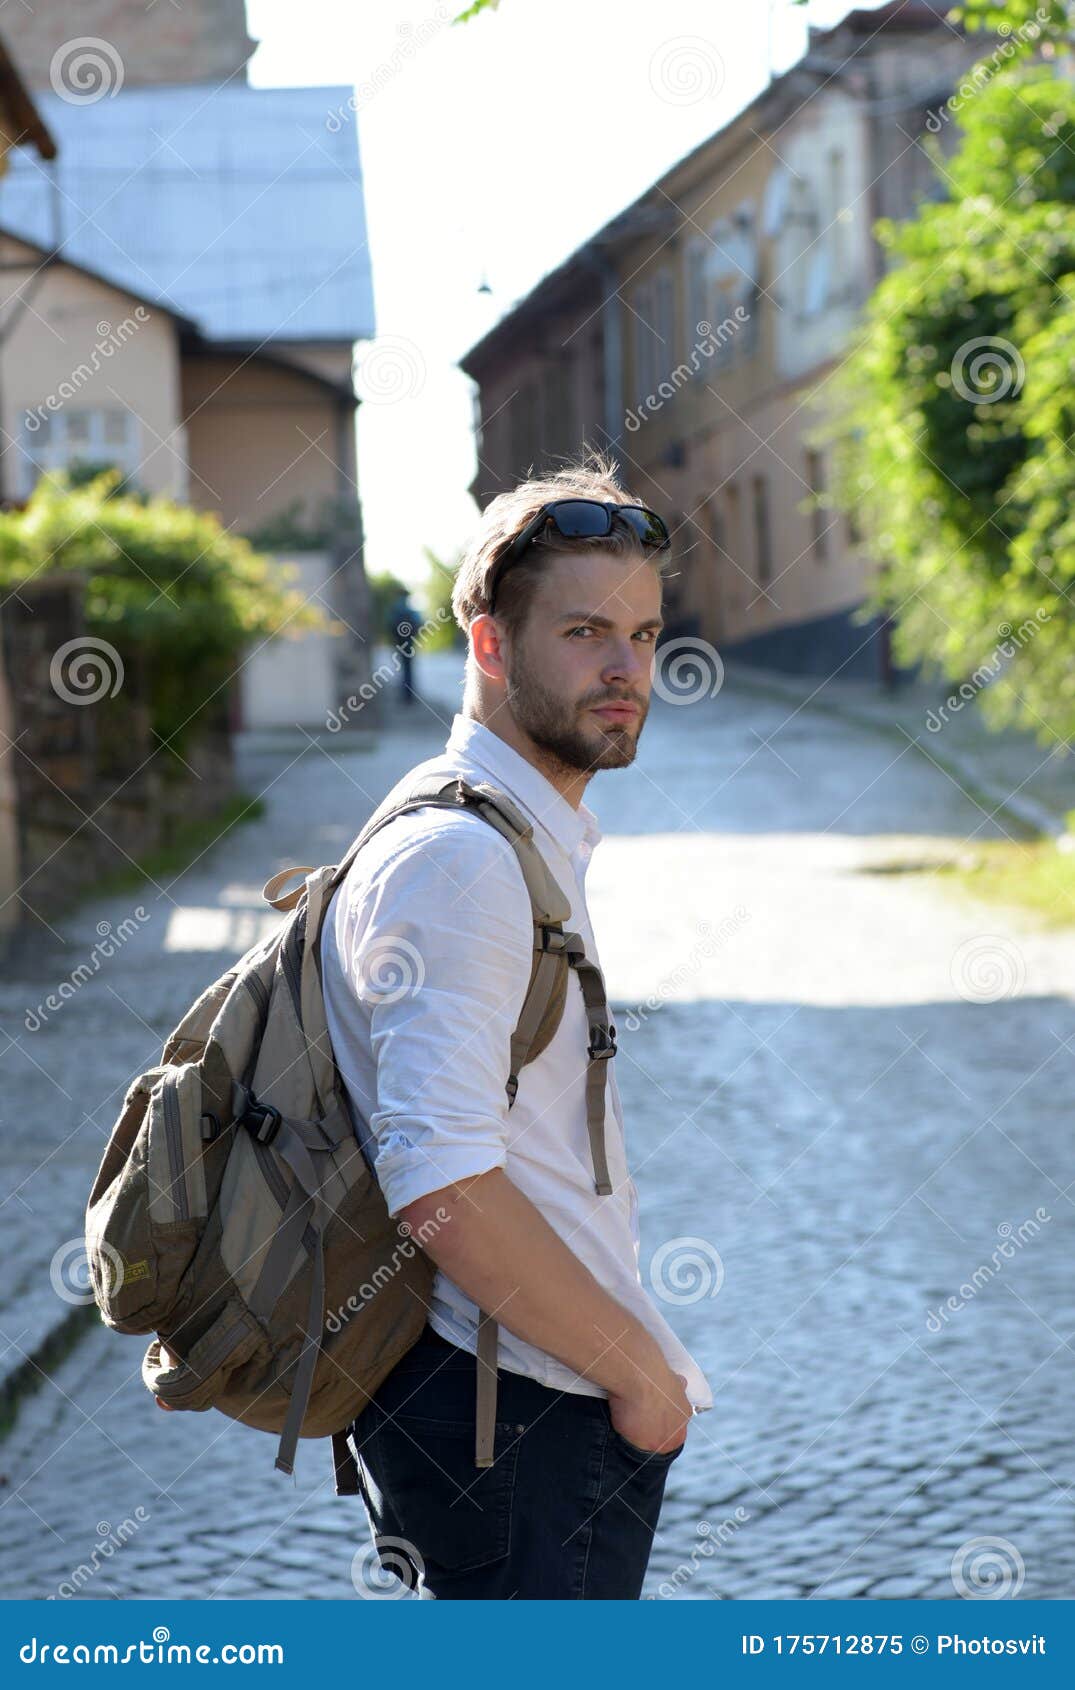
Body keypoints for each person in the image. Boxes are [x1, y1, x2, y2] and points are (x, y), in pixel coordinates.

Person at [320, 452, 713, 1600]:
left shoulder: (502, 832)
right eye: (585, 631)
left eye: (641, 635)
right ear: (488, 644)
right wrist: (641, 1378)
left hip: (519, 1397)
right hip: (516, 1415)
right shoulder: (460, 861)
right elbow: (439, 1176)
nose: (625, 668)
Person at [387, 588, 418, 706]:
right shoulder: (410, 611)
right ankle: (409, 695)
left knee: (401, 669)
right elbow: (418, 624)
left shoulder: (395, 609)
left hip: (399, 644)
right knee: (409, 669)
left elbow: (389, 625)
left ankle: (404, 695)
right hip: (410, 644)